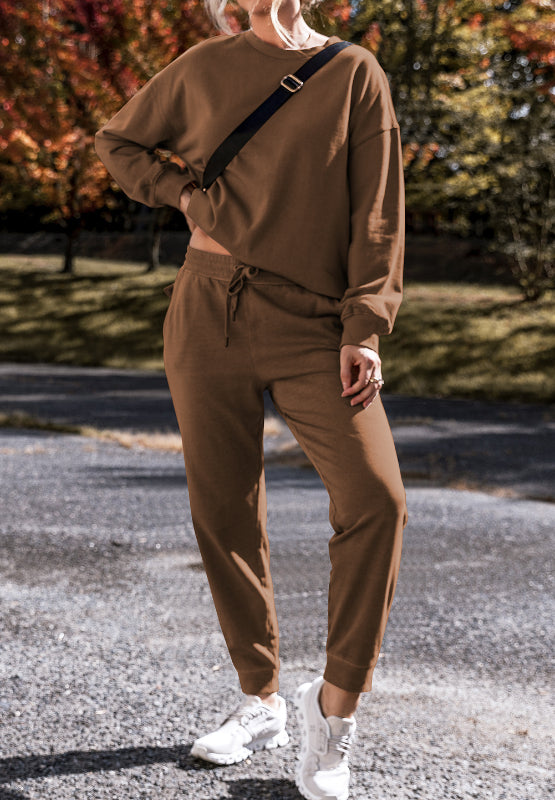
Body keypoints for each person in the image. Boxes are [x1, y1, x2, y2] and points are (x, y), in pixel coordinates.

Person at [95, 0, 409, 796]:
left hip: (317, 324)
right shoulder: (205, 66)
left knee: (376, 500)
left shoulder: (353, 72)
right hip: (209, 308)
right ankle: (259, 700)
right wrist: (185, 195)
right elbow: (118, 142)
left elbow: (377, 212)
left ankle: (332, 713)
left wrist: (365, 326)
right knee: (225, 509)